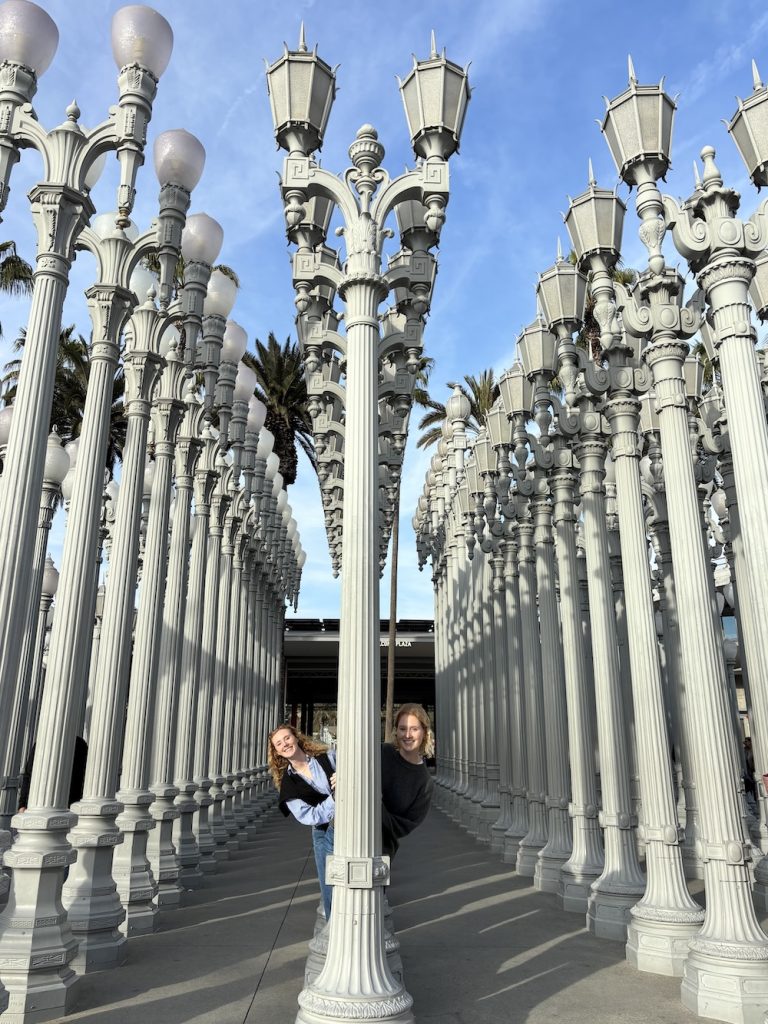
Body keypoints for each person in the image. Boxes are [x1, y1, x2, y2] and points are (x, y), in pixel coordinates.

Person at [268, 725, 336, 919]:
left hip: (350, 824)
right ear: (277, 751)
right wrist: (336, 797)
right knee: (329, 884)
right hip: (323, 832)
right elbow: (310, 816)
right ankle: (333, 927)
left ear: (296, 738)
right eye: (279, 743)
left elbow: (353, 771)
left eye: (287, 738)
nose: (285, 744)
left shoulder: (327, 757)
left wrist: (345, 777)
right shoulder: (287, 786)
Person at [381, 703, 435, 859]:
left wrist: (373, 803)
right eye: (402, 729)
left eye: (414, 729)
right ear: (396, 731)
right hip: (339, 836)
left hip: (381, 850)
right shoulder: (382, 752)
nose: (407, 735)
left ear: (424, 732)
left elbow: (402, 827)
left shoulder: (424, 783)